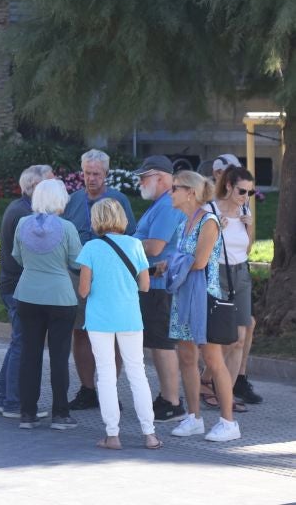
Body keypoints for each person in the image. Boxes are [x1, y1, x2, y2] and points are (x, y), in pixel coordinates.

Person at [75, 199, 162, 449]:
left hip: (99, 319)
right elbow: (145, 285)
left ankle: (112, 435)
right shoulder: (135, 245)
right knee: (137, 373)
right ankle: (150, 434)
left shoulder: (91, 248)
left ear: (96, 219)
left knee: (105, 374)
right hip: (130, 317)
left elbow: (83, 290)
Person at [167, 171, 241, 442]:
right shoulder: (183, 224)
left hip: (203, 299)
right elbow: (182, 260)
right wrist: (174, 262)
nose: (170, 192)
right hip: (183, 296)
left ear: (190, 192)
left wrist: (173, 262)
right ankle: (194, 417)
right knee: (186, 357)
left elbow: (198, 262)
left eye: (175, 187)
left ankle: (229, 422)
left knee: (212, 359)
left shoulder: (208, 221)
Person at [63, 149, 136, 411]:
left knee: (112, 335)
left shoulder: (118, 201)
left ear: (106, 173)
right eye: (87, 173)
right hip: (77, 275)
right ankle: (88, 389)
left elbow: (131, 237)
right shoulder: (72, 201)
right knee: (80, 332)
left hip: (109, 280)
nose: (91, 178)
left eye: (96, 173)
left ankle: (110, 388)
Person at [12, 179, 81, 431]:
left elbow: (18, 257)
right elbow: (76, 261)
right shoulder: (68, 228)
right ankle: (61, 414)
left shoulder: (22, 224)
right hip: (61, 297)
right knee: (59, 356)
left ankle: (27, 413)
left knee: (29, 354)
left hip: (28, 294)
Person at [132, 155, 187, 423]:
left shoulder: (166, 205)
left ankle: (172, 402)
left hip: (158, 286)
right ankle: (168, 398)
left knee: (162, 344)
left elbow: (154, 247)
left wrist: (125, 244)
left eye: (145, 177)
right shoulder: (161, 204)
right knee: (158, 343)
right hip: (154, 283)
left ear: (162, 178)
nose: (140, 181)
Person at [204, 160, 263, 406]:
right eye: (242, 191)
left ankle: (224, 393)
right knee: (221, 338)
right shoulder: (211, 211)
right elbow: (200, 248)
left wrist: (249, 229)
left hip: (241, 274)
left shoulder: (245, 212)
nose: (245, 196)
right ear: (228, 186)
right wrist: (218, 229)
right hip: (217, 273)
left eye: (250, 192)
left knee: (239, 337)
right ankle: (209, 383)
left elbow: (246, 249)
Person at [0, 164, 53, 419]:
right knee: (22, 343)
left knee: (17, 342)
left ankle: (7, 399)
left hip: (14, 285)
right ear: (35, 187)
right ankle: (13, 402)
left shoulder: (21, 208)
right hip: (19, 287)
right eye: (50, 183)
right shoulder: (25, 214)